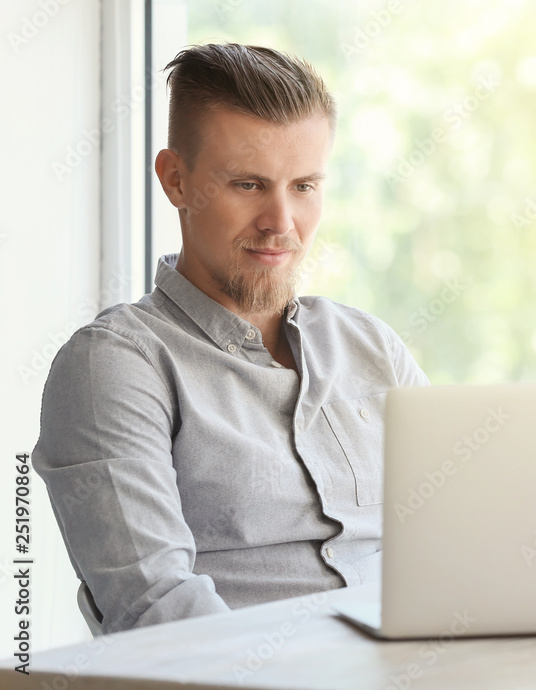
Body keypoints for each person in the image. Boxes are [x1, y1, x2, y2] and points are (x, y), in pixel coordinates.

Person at [32, 43, 428, 634]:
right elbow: (157, 609)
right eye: (249, 184)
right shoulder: (114, 366)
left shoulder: (372, 346)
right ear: (175, 181)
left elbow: (461, 540)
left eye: (305, 186)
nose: (281, 222)